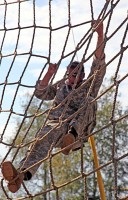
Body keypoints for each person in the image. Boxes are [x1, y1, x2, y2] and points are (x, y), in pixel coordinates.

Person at [1, 20, 106, 193]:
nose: (74, 77)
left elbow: (98, 63)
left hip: (78, 129)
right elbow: (41, 93)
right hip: (58, 127)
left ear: (83, 75)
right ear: (67, 75)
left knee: (89, 100)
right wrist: (49, 74)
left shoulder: (89, 85)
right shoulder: (60, 87)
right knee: (41, 139)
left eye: (78, 74)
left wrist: (100, 34)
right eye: (71, 74)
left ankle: (71, 136)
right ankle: (20, 176)